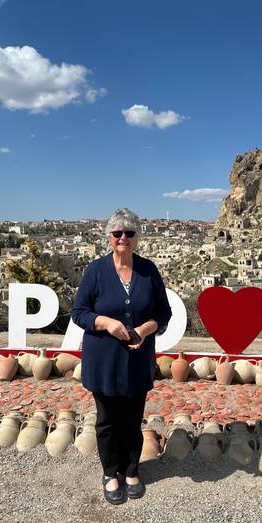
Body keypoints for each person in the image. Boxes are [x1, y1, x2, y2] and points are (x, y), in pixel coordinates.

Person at [71, 208, 172, 505]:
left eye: (129, 233)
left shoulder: (148, 270)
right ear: (109, 237)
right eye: (117, 233)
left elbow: (163, 313)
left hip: (137, 360)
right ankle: (110, 473)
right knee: (107, 420)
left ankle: (131, 470)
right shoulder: (96, 270)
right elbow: (80, 313)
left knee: (132, 419)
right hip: (103, 360)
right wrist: (106, 323)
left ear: (137, 237)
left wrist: (144, 329)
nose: (123, 238)